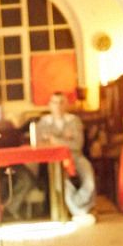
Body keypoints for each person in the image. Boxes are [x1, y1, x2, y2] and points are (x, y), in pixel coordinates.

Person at [36, 92, 96, 223]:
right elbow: (40, 145)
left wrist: (55, 140)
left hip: (76, 156)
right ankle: (79, 212)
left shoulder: (74, 121)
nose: (58, 106)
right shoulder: (43, 122)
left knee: (89, 177)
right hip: (55, 161)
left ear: (66, 105)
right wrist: (66, 139)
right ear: (49, 105)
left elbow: (77, 144)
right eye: (55, 102)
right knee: (64, 182)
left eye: (61, 102)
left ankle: (80, 205)